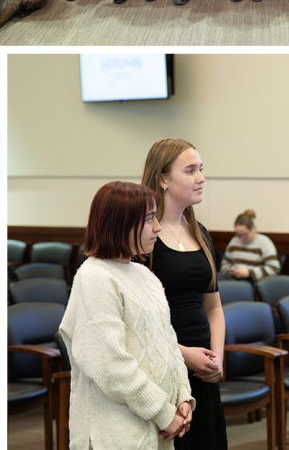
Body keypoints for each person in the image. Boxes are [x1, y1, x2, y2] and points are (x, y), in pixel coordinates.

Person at [59, 180, 193, 449]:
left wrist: (183, 398)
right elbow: (109, 365)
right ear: (120, 224)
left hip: (156, 425)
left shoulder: (145, 275)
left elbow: (169, 344)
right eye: (148, 219)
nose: (158, 227)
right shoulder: (95, 277)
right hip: (116, 432)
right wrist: (163, 412)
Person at [141, 141, 225, 449]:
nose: (201, 178)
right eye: (190, 170)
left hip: (203, 369)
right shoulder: (144, 236)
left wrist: (217, 356)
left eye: (201, 169)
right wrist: (182, 354)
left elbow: (213, 307)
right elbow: (137, 321)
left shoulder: (200, 232)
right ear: (163, 179)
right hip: (162, 364)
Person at [220, 210, 281, 282]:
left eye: (245, 234)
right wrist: (231, 269)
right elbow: (224, 265)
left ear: (252, 229)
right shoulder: (234, 241)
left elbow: (274, 268)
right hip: (233, 278)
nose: (241, 238)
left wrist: (249, 273)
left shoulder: (264, 242)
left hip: (253, 280)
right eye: (238, 235)